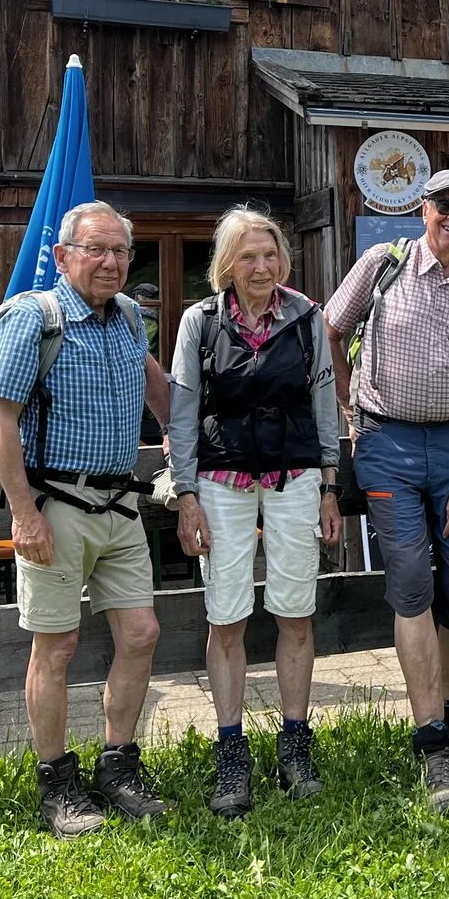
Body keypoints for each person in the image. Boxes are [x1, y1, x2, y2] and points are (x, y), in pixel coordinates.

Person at [0, 200, 175, 839]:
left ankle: (118, 768)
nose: (113, 262)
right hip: (56, 508)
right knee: (56, 646)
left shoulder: (127, 318)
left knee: (142, 633)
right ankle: (57, 785)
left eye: (121, 251)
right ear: (63, 256)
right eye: (98, 250)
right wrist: (24, 513)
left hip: (121, 506)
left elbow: (163, 396)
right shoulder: (32, 319)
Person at [324, 169, 449, 812]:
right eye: (446, 206)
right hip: (387, 446)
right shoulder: (382, 264)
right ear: (424, 208)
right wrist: (347, 405)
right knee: (410, 582)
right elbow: (330, 330)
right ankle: (432, 743)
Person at [169, 207, 342, 818]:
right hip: (222, 478)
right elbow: (183, 413)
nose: (261, 266)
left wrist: (329, 484)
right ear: (227, 264)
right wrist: (185, 493)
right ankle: (231, 751)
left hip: (295, 475)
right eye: (248, 256)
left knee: (296, 611)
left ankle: (295, 744)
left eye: (270, 255)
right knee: (227, 615)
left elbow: (326, 402)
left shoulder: (307, 318)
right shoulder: (200, 321)